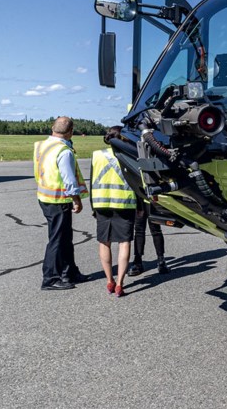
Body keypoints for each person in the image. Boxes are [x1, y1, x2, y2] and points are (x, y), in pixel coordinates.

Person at [34, 116, 90, 291]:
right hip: (57, 199)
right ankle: (50, 277)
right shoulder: (63, 151)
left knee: (65, 237)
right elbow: (68, 179)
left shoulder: (41, 145)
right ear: (71, 132)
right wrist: (77, 199)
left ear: (53, 128)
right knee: (57, 239)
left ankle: (69, 272)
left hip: (45, 196)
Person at [90, 127, 137, 297]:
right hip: (125, 204)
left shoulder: (97, 155)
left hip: (101, 202)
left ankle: (109, 280)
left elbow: (92, 181)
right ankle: (120, 283)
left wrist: (93, 206)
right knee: (124, 243)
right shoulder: (130, 155)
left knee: (104, 242)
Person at [128, 201, 169, 276]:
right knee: (139, 230)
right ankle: (138, 261)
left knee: (156, 229)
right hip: (139, 198)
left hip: (152, 198)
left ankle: (161, 259)